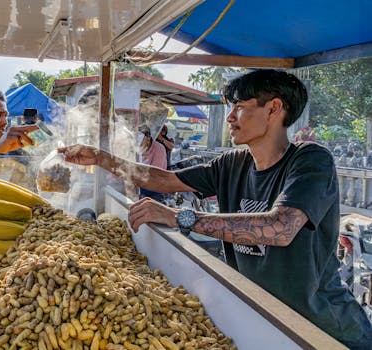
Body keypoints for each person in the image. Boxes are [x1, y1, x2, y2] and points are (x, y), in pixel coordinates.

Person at [58, 69, 372, 349]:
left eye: (239, 107)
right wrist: (102, 158)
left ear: (274, 108)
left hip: (323, 330)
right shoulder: (232, 163)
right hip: (262, 322)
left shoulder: (310, 160)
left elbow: (281, 227)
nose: (230, 117)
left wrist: (181, 217)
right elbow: (167, 180)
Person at [137, 125, 167, 202]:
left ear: (148, 138)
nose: (138, 145)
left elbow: (155, 173)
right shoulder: (137, 149)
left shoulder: (159, 149)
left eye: (141, 141)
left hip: (155, 187)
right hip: (141, 183)